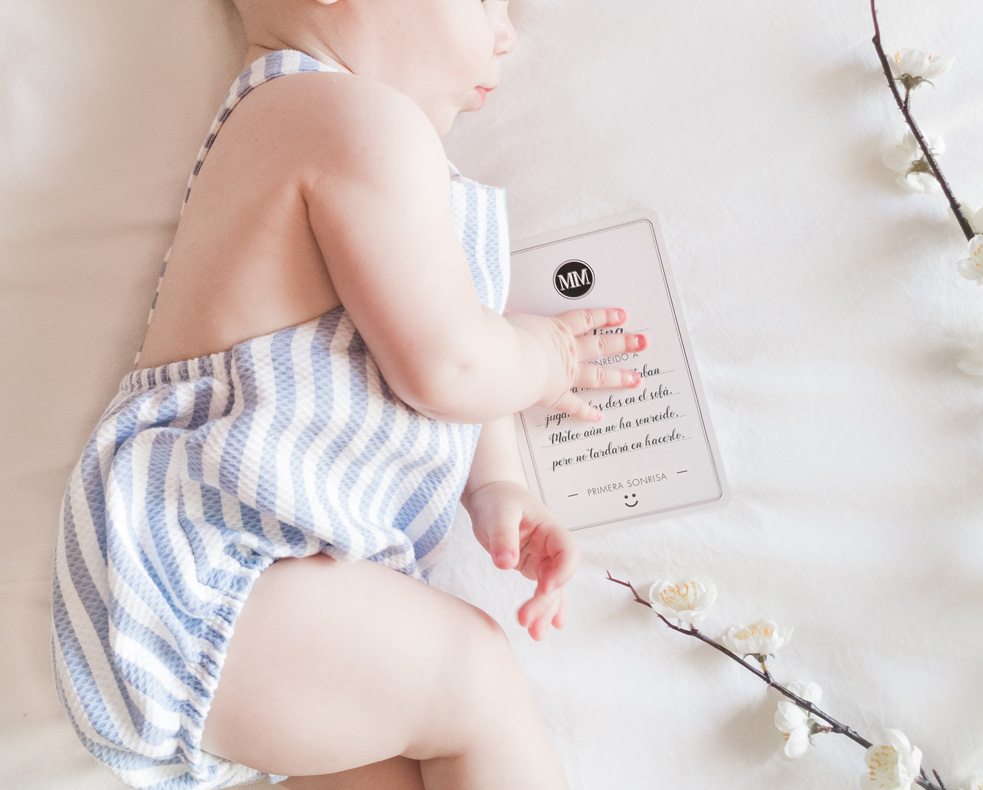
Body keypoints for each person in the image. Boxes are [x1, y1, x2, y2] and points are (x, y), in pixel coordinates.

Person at [49, 0, 649, 788]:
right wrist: (546, 355)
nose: (507, 34)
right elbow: (449, 365)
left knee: (394, 765)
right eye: (483, 1)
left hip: (265, 582)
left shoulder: (337, 131)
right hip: (225, 568)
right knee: (472, 676)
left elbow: (436, 342)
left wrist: (495, 484)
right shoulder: (341, 117)